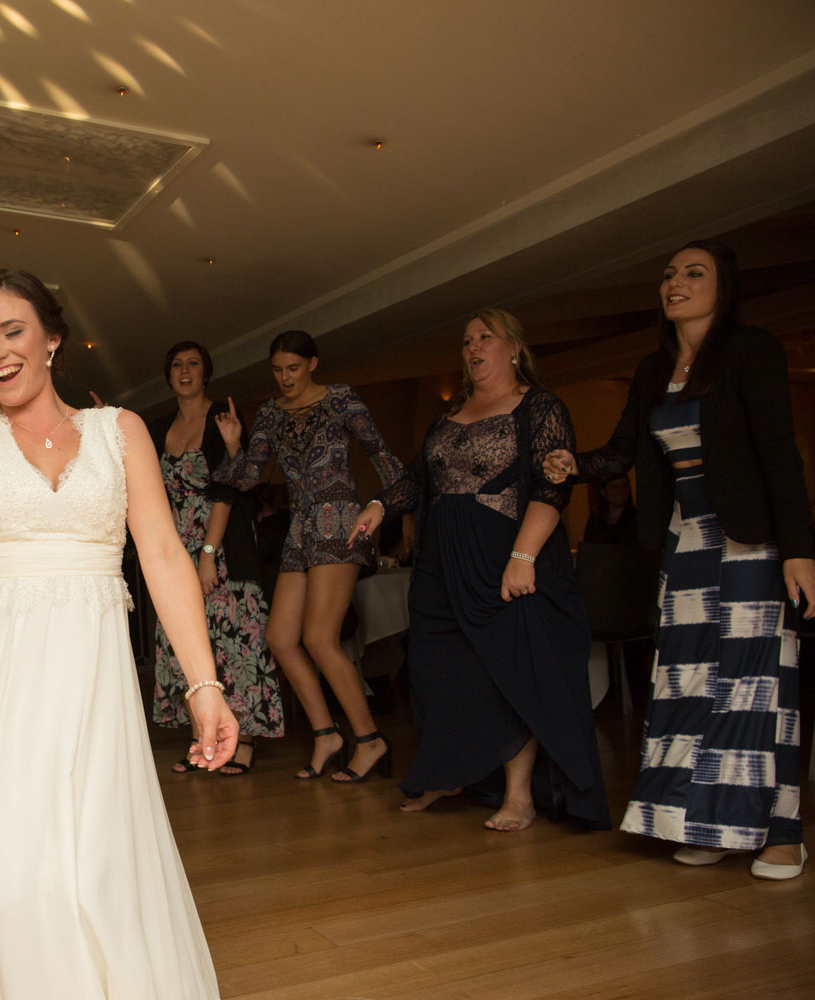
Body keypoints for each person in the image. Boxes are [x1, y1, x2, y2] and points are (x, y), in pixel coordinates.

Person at [0, 76, 236, 999]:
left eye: (13, 331)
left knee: (89, 875)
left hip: (88, 677)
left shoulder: (121, 434)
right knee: (3, 871)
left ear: (53, 339)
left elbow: (159, 556)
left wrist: (203, 685)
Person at [545, 240, 814, 878]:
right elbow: (622, 451)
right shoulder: (650, 369)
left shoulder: (753, 351)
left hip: (750, 544)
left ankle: (783, 833)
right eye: (668, 274)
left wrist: (799, 550)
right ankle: (708, 820)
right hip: (685, 544)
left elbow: (780, 453)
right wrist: (575, 465)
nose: (676, 283)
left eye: (694, 273)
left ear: (726, 287)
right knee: (689, 685)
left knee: (758, 687)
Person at [378, 309, 609, 832]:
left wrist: (522, 557)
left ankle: (520, 796)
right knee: (441, 671)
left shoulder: (540, 406)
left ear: (514, 349)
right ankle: (449, 772)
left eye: (486, 337)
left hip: (503, 557)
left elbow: (554, 485)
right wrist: (378, 505)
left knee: (511, 674)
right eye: (466, 340)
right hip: (443, 563)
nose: (473, 347)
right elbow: (417, 479)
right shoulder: (450, 413)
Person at [214, 330, 405, 783]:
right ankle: (326, 735)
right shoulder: (269, 414)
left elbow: (383, 456)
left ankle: (369, 739)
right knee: (280, 637)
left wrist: (390, 506)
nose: (285, 378)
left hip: (340, 521)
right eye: (277, 370)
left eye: (293, 368)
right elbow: (244, 479)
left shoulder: (341, 399)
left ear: (313, 364)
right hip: (300, 527)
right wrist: (234, 444)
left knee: (320, 638)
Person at [149, 341, 282, 775]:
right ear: (168, 376)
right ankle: (199, 737)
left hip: (221, 548)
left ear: (206, 373)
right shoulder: (159, 428)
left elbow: (228, 490)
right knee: (185, 639)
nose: (184, 371)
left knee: (231, 642)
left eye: (193, 364)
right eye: (176, 365)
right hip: (175, 549)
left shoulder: (222, 420)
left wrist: (207, 554)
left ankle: (241, 739)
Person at [581, 475, 637, 544]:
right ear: (603, 491)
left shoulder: (637, 519)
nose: (620, 491)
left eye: (625, 486)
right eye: (614, 487)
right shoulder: (594, 520)